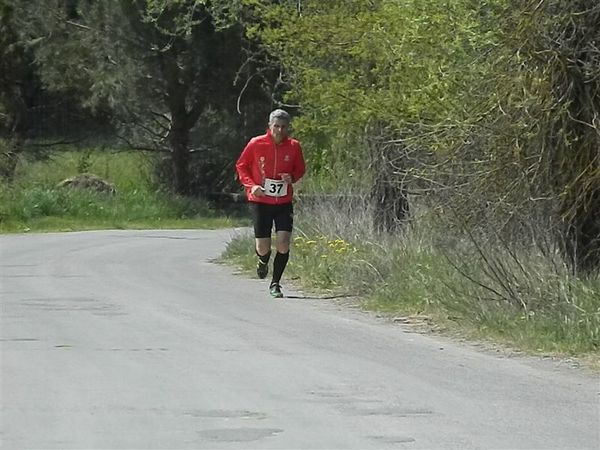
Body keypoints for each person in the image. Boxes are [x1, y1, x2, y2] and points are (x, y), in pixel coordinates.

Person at [236, 109, 306, 298]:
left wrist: (291, 177)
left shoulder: (294, 146)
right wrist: (251, 186)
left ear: (287, 128)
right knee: (263, 247)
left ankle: (275, 283)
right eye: (276, 126)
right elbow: (241, 165)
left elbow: (300, 169)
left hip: (283, 201)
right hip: (261, 201)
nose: (280, 130)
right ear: (269, 126)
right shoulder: (256, 143)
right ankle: (263, 260)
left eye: (283, 127)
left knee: (283, 244)